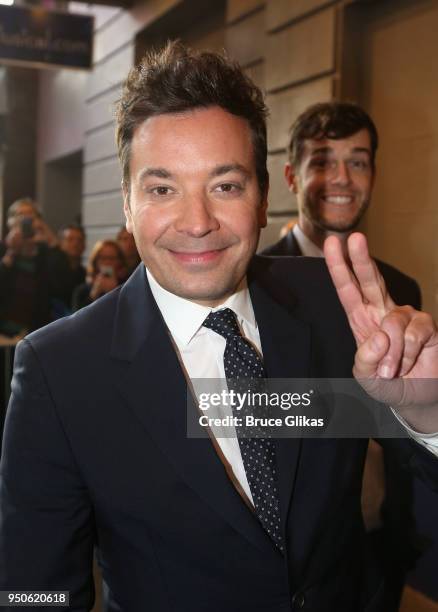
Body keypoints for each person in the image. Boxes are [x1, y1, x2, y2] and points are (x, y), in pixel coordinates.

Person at [0, 43, 437, 612]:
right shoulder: (60, 370)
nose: (198, 222)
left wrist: (425, 417)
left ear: (261, 198)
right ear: (129, 206)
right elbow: (34, 593)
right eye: (162, 189)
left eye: (225, 185)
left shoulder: (333, 305)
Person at [262, 102, 422, 609]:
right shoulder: (252, 281)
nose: (342, 178)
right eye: (323, 161)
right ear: (291, 175)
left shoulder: (400, 286)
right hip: (292, 557)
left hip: (379, 542)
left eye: (358, 161)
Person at [0, 199, 72, 334]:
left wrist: (49, 236)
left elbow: (64, 280)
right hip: (4, 334)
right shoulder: (3, 249)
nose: (26, 219)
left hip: (36, 331)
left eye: (31, 215)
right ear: (10, 222)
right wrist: (11, 252)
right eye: (20, 215)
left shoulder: (45, 252)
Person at [72, 239, 127, 311]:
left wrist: (115, 292)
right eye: (103, 258)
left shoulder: (127, 285)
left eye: (111, 258)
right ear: (95, 261)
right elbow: (77, 319)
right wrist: (94, 294)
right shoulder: (82, 291)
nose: (107, 262)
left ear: (120, 261)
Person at [58, 224, 87, 306]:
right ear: (61, 243)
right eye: (70, 239)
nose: (75, 244)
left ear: (84, 245)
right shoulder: (51, 271)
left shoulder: (85, 273)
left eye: (80, 240)